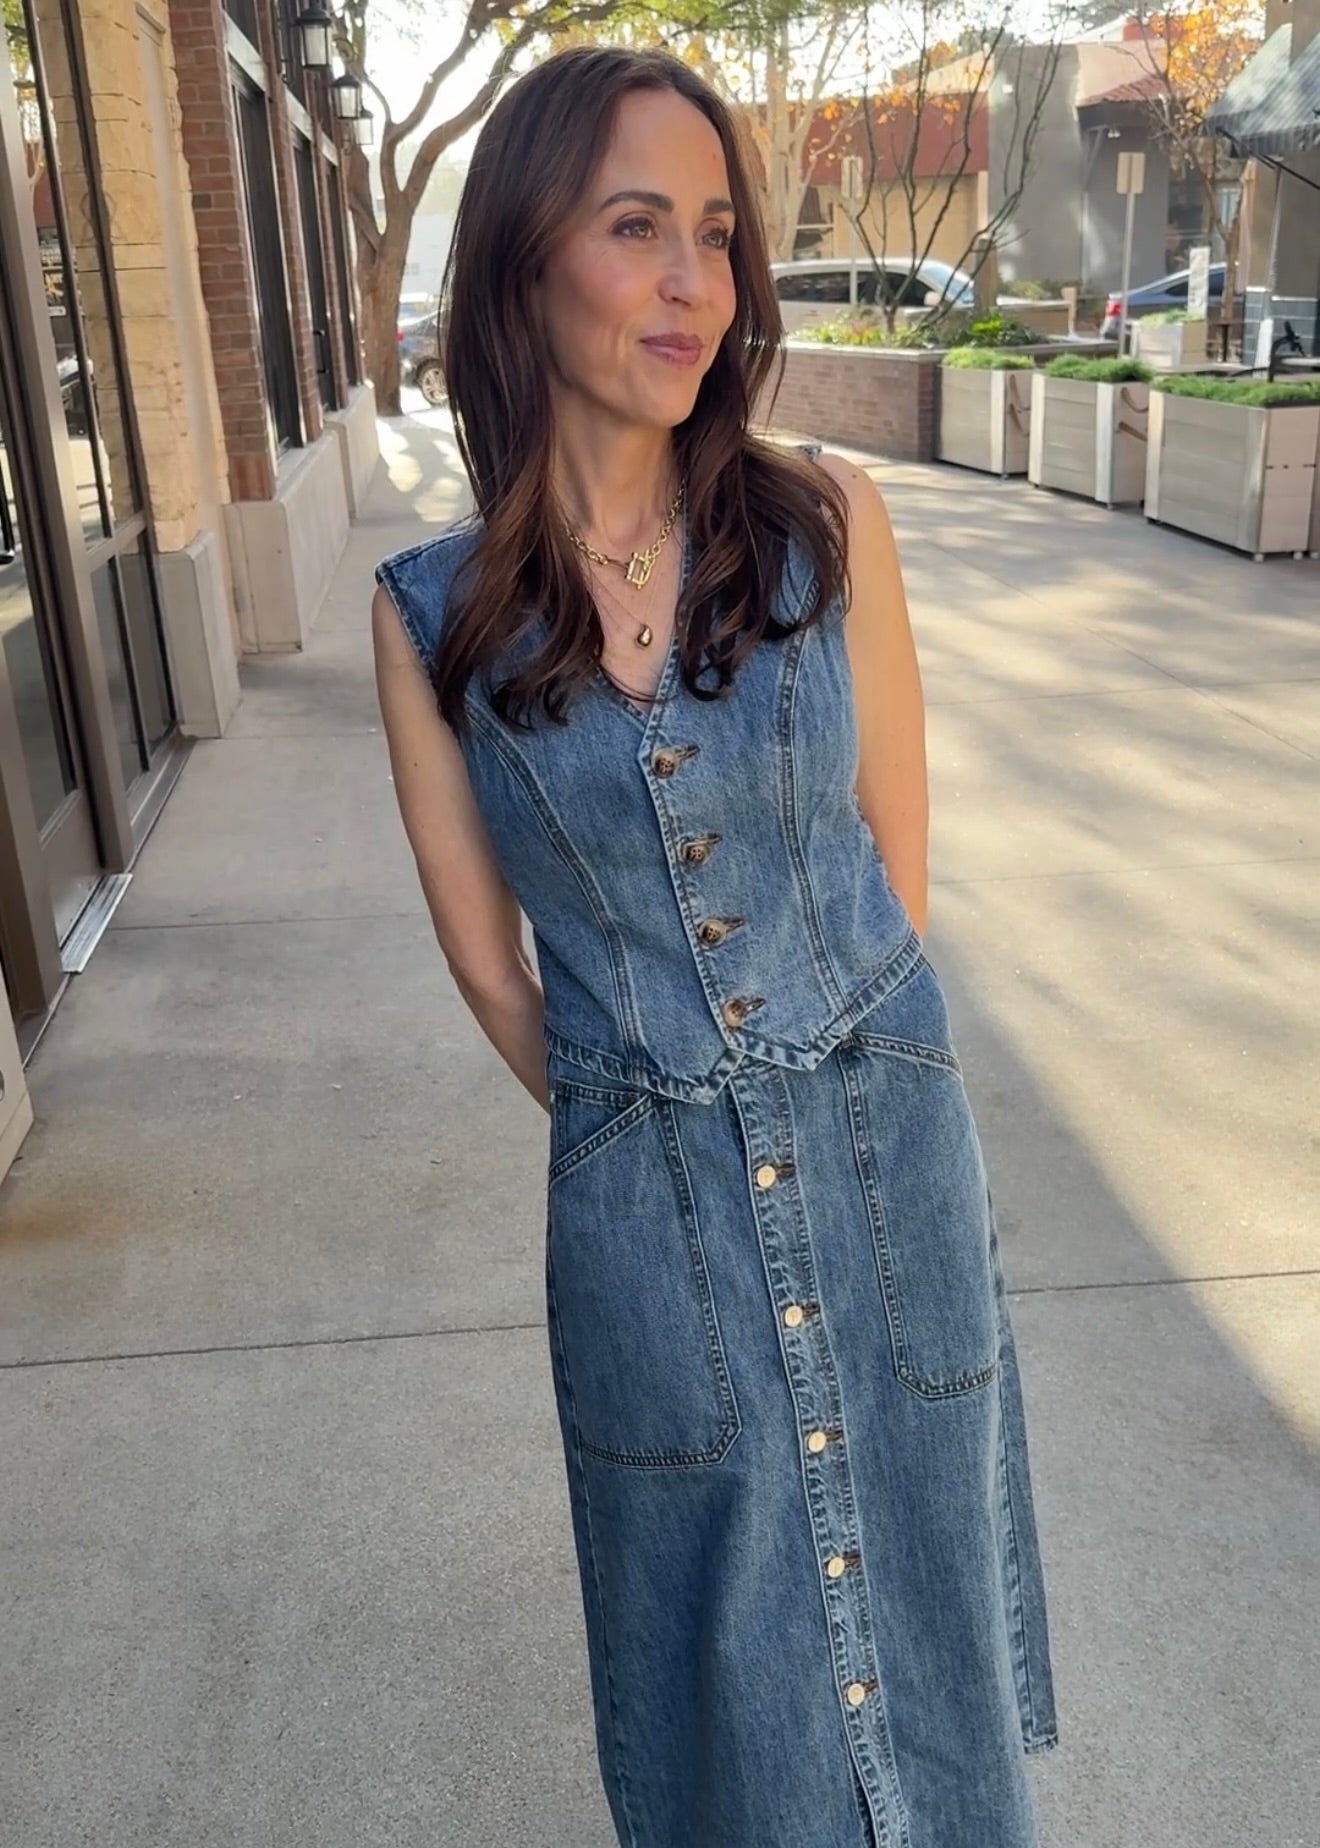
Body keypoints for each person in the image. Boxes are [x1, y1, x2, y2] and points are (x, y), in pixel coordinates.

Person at [372, 44, 1057, 1848]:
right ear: (528, 262)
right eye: (636, 228)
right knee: (732, 1701)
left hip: (889, 1162)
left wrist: (831, 1051)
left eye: (720, 235)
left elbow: (894, 863)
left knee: (928, 1667)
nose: (696, 283)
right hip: (644, 1224)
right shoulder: (436, 615)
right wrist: (644, 1101)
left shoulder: (828, 527)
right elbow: (491, 965)